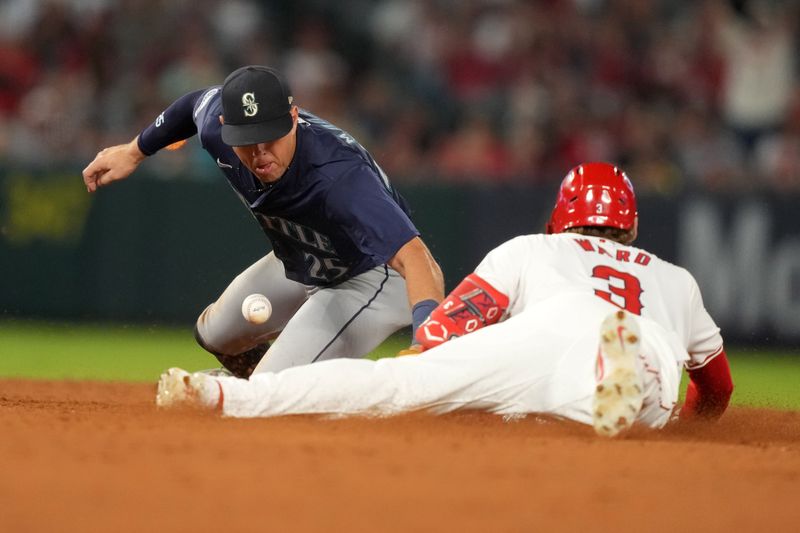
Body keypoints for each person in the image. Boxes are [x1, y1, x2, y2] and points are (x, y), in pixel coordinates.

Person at [155, 162, 733, 437]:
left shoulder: (534, 248)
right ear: (629, 228)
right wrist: (691, 425)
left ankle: (217, 394)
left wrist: (424, 361)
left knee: (397, 387)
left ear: (562, 219)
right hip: (643, 346)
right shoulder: (676, 279)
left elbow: (448, 325)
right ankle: (622, 383)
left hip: (546, 332)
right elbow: (717, 389)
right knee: (637, 401)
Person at [83, 65, 444, 377]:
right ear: (225, 126)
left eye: (270, 136)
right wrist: (134, 151)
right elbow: (196, 103)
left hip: (368, 278)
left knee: (272, 391)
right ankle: (263, 392)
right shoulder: (216, 128)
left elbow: (417, 258)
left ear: (293, 118)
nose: (260, 153)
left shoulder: (339, 176)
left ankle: (309, 398)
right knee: (215, 336)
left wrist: (427, 338)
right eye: (247, 140)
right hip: (304, 259)